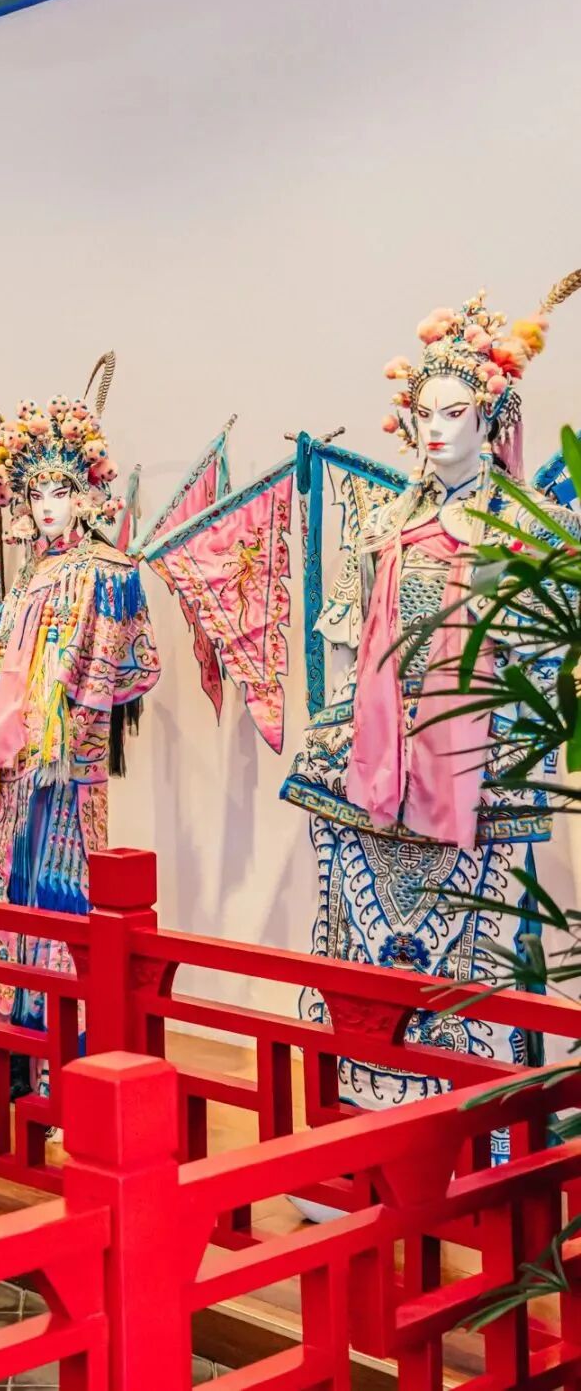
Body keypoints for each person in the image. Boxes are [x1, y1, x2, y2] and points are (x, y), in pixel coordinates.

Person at [281, 282, 581, 1171]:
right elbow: (346, 644)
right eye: (425, 413)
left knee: (481, 960)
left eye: (457, 412)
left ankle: (486, 1141)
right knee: (362, 948)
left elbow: (547, 654)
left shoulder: (529, 523)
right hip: (378, 763)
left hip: (481, 763)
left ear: (492, 417)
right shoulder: (384, 522)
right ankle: (366, 1124)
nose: (438, 429)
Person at [0, 394, 160, 1099]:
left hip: (61, 772)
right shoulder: (28, 576)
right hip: (0, 770)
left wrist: (67, 738)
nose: (47, 505)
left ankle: (66, 1070)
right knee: (2, 901)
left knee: (59, 907)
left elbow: (120, 669)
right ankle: (10, 1055)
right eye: (36, 492)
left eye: (60, 490)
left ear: (85, 494)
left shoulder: (109, 572)